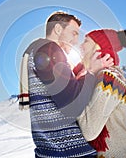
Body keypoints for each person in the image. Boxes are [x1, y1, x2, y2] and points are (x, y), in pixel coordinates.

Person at [19, 11, 114, 158]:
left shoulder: (38, 51)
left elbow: (63, 92)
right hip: (72, 153)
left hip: (50, 152)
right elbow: (73, 105)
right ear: (57, 29)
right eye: (74, 33)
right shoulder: (49, 50)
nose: (76, 40)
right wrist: (92, 72)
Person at [76, 29, 126, 158]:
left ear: (98, 47)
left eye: (86, 41)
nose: (80, 45)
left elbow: (89, 130)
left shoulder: (109, 77)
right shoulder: (91, 75)